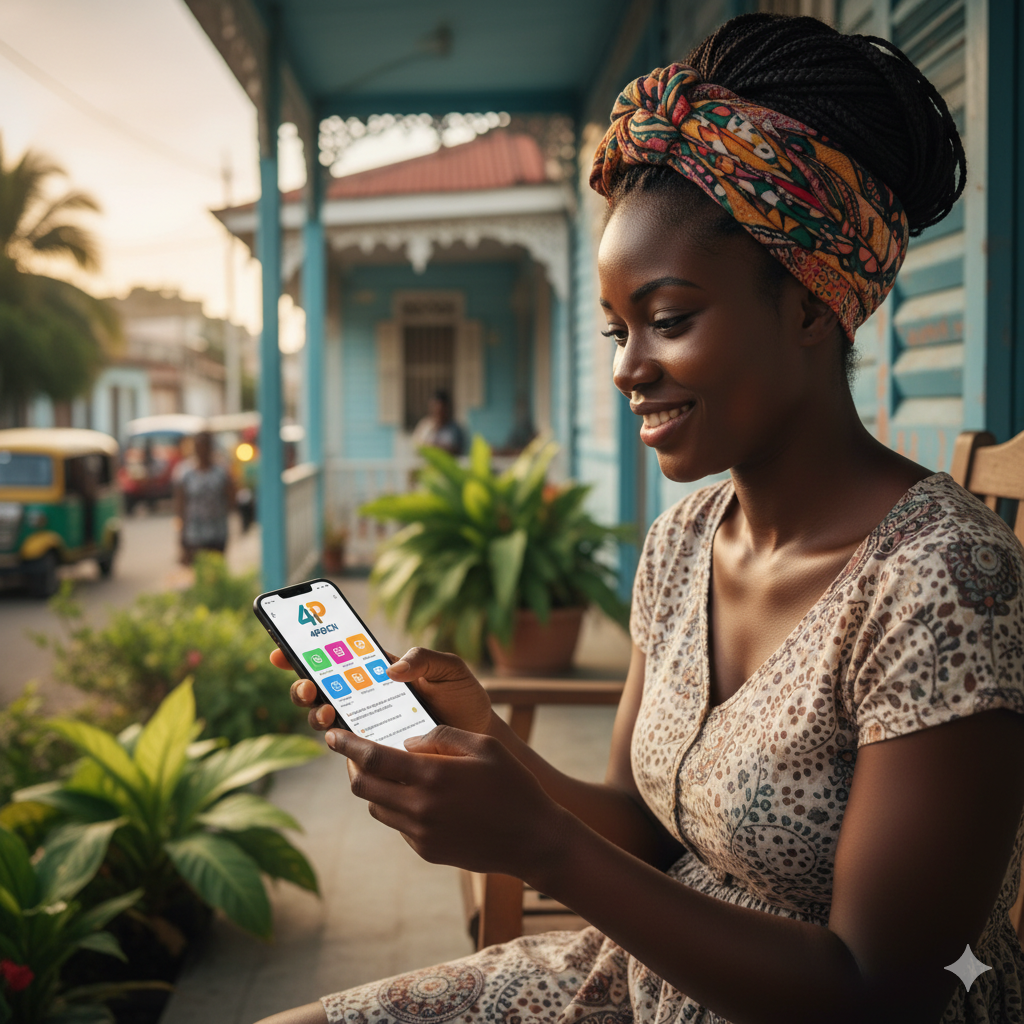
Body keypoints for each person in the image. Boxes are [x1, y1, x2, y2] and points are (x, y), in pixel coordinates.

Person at [261, 14, 1024, 1024]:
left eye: (668, 320)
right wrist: (487, 745)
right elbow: (644, 826)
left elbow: (878, 990)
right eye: (618, 329)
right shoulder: (682, 542)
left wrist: (538, 845)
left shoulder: (944, 583)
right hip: (648, 980)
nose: (626, 367)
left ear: (807, 306)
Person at [173, 430, 234, 564]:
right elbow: (180, 505)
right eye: (199, 446)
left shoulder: (221, 472)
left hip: (217, 532)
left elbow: (231, 499)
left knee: (216, 569)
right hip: (194, 534)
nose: (202, 450)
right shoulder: (185, 472)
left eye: (205, 445)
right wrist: (181, 535)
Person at [411, 389, 467, 456]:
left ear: (447, 408)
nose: (438, 412)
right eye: (435, 408)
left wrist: (435, 448)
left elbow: (458, 450)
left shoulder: (455, 429)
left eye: (441, 409)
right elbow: (417, 447)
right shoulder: (424, 426)